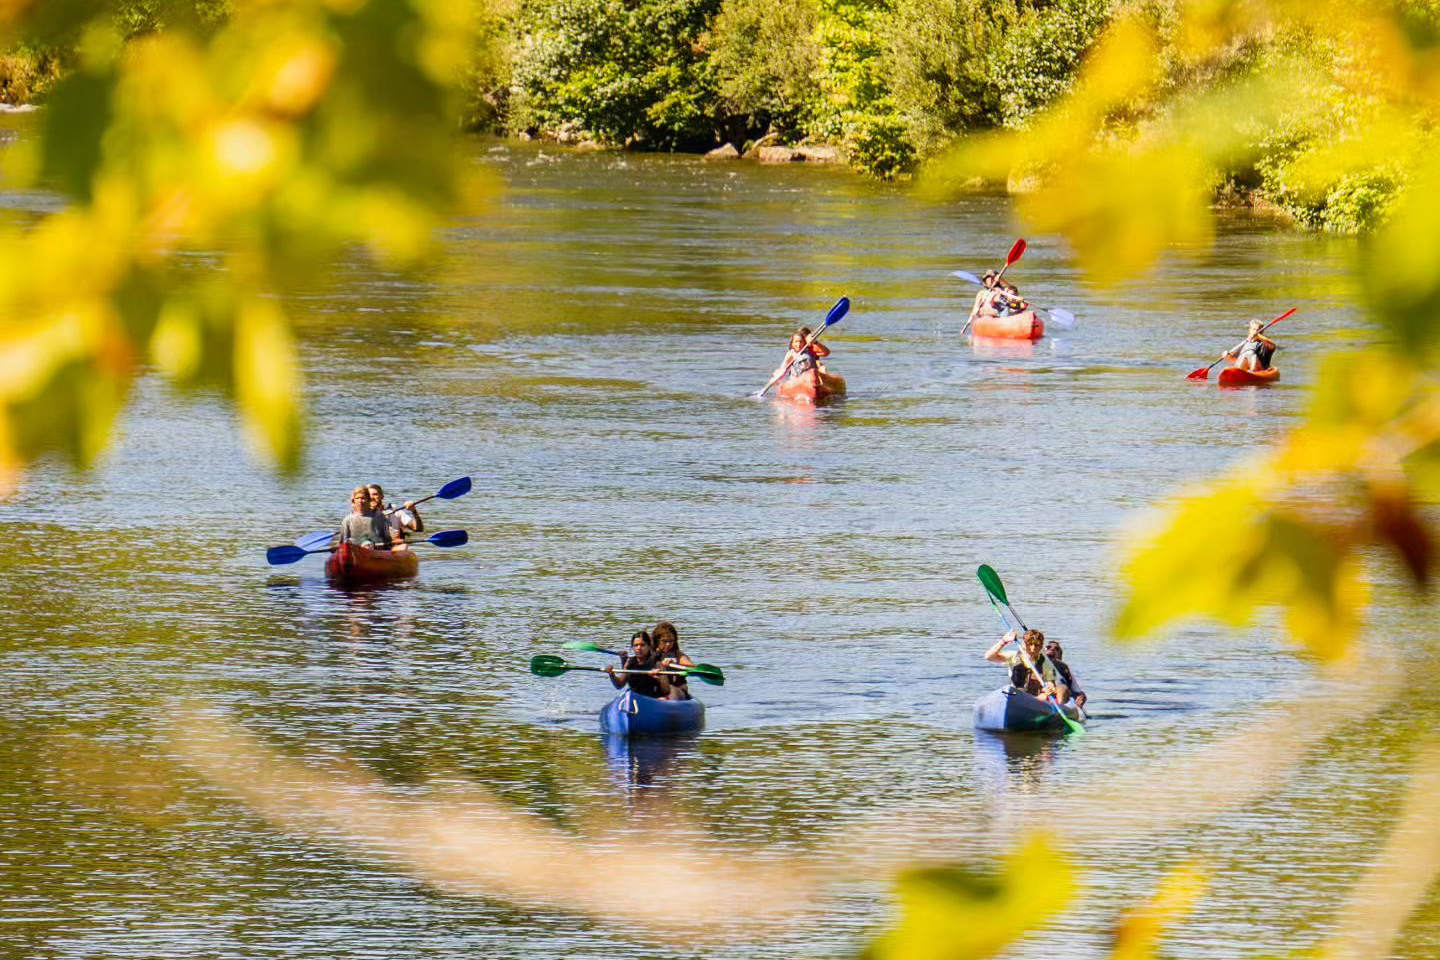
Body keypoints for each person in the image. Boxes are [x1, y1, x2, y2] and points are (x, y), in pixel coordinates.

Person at [983, 628, 1070, 704]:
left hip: (1036, 698)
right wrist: (1004, 641)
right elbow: (989, 657)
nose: (1032, 649)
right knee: (1007, 692)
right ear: (1024, 645)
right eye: (1030, 644)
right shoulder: (1013, 656)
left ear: (1041, 647)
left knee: (1060, 689)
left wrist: (1049, 689)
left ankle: (1056, 710)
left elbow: (1051, 683)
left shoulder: (1045, 663)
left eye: (1036, 645)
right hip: (1016, 695)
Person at [606, 630, 666, 699]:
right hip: (634, 698)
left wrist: (658, 678)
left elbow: (666, 691)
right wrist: (612, 674)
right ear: (633, 647)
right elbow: (619, 685)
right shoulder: (630, 663)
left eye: (642, 645)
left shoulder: (656, 663)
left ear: (649, 646)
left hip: (652, 699)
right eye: (636, 645)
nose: (639, 648)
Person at [367, 483, 423, 550]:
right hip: (371, 549)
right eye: (368, 495)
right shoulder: (361, 514)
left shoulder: (394, 512)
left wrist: (413, 511)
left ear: (382, 496)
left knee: (402, 547)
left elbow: (418, 528)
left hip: (394, 550)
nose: (372, 497)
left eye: (375, 494)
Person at [337, 484, 393, 548]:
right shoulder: (348, 519)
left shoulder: (379, 516)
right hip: (355, 549)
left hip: (376, 549)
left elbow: (387, 539)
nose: (360, 501)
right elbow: (342, 542)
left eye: (363, 498)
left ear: (368, 500)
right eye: (357, 498)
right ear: (354, 501)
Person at [652, 621, 693, 700]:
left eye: (671, 641)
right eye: (664, 641)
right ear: (657, 641)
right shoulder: (650, 654)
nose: (668, 644)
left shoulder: (678, 655)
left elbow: (692, 667)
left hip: (676, 689)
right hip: (656, 688)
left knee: (671, 689)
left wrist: (675, 663)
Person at [1042, 640, 1087, 711]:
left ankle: (1059, 710)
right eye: (1048, 647)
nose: (1052, 649)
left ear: (1060, 656)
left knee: (1061, 689)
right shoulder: (1035, 664)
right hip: (1043, 695)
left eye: (1056, 649)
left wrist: (1081, 697)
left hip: (1061, 696)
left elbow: (1078, 692)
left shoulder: (1065, 669)